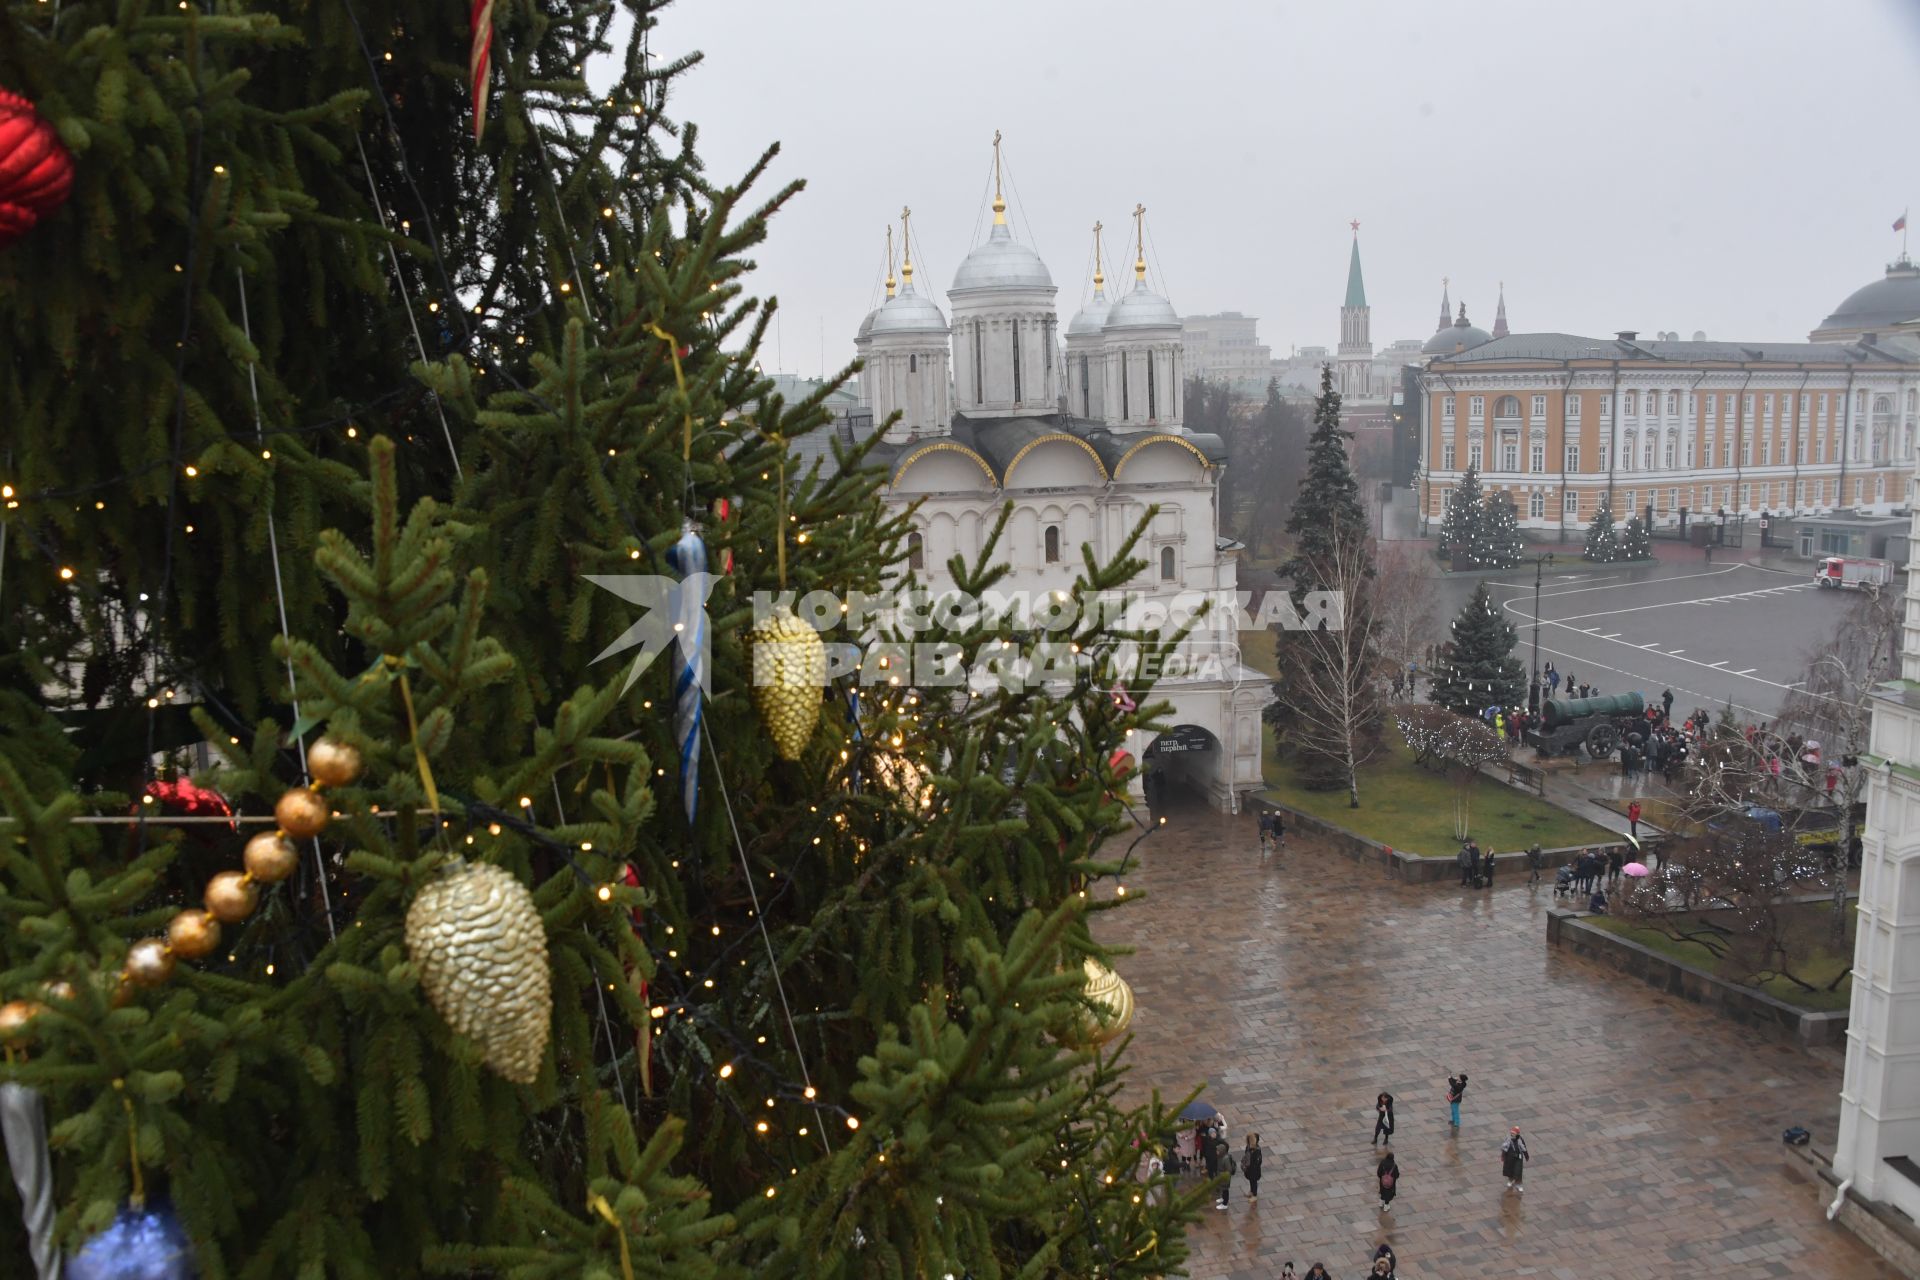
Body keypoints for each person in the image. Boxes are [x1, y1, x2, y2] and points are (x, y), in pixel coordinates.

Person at [1502, 1126, 1530, 1192]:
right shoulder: (1508, 1139)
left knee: (1518, 1172)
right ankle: (1510, 1180)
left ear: (1517, 1134)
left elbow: (1524, 1148)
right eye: (1511, 1133)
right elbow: (1504, 1148)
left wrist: (1526, 1156)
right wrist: (1503, 1156)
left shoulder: (1520, 1139)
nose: (1512, 1134)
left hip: (1518, 1158)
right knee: (1510, 1170)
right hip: (1510, 1157)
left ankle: (1519, 1184)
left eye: (1514, 1133)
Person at [1242, 1133, 1262, 1201]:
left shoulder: (1257, 1150)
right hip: (1249, 1169)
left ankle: (1254, 1195)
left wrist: (1253, 1165)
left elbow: (1258, 1161)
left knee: (1254, 1181)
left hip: (1254, 1170)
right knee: (1251, 1180)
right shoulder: (1248, 1147)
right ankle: (1251, 1191)